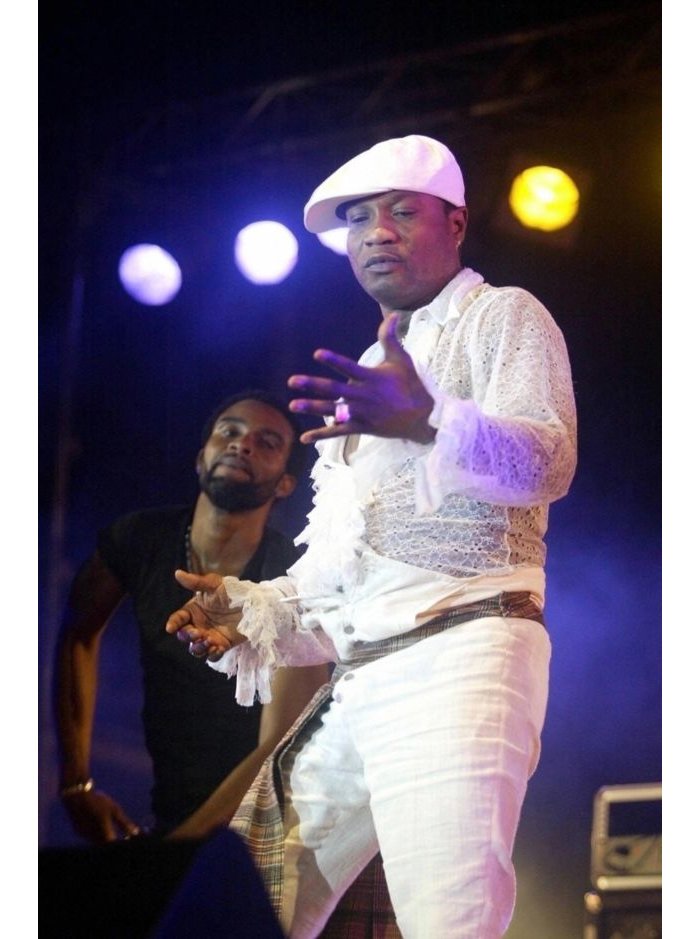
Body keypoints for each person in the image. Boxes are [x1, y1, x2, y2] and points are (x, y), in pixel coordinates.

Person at [166, 134, 578, 938]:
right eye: (358, 218)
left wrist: (430, 421)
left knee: (448, 922)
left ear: (455, 223)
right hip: (361, 677)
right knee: (238, 908)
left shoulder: (502, 314)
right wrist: (253, 610)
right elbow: (351, 575)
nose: (376, 232)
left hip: (461, 656)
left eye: (401, 212)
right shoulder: (369, 365)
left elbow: (549, 461)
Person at [54, 389, 330, 841]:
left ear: (285, 484)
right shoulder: (140, 538)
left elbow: (279, 744)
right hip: (170, 809)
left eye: (266, 442)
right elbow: (77, 634)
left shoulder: (291, 577)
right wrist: (75, 783)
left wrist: (181, 849)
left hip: (264, 830)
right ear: (201, 458)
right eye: (229, 431)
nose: (242, 444)